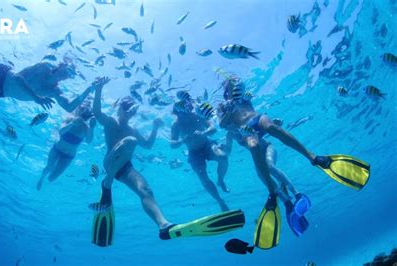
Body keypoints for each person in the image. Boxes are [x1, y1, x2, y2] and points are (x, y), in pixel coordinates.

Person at [88, 77, 246, 247]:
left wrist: (155, 128)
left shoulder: (132, 129)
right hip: (110, 162)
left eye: (132, 111)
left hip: (125, 167)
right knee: (130, 141)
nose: (129, 113)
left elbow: (147, 145)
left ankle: (163, 225)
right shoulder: (111, 122)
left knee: (146, 190)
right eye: (127, 109)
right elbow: (97, 112)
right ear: (119, 108)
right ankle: (107, 181)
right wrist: (98, 89)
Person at [217, 75, 370, 249]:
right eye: (227, 87)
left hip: (258, 121)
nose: (230, 88)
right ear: (224, 92)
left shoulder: (241, 94)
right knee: (255, 150)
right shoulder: (223, 106)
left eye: (231, 85)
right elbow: (221, 124)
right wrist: (229, 111)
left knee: (271, 127)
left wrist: (236, 83)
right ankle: (285, 198)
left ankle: (311, 159)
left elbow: (245, 89)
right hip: (248, 134)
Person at [170, 94, 230, 212]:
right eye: (181, 112)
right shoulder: (176, 125)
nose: (185, 114)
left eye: (187, 110)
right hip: (193, 152)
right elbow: (172, 144)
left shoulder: (198, 115)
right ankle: (220, 201)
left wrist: (204, 132)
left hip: (207, 145)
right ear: (177, 112)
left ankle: (220, 180)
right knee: (203, 177)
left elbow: (213, 128)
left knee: (223, 157)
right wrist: (183, 140)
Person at [36, 96, 96, 191]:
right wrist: (72, 123)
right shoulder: (69, 119)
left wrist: (92, 127)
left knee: (52, 178)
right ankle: (41, 179)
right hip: (56, 149)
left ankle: (47, 186)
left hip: (68, 156)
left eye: (85, 112)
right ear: (78, 109)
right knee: (49, 168)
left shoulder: (85, 127)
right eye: (81, 109)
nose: (82, 113)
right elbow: (61, 132)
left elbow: (89, 141)